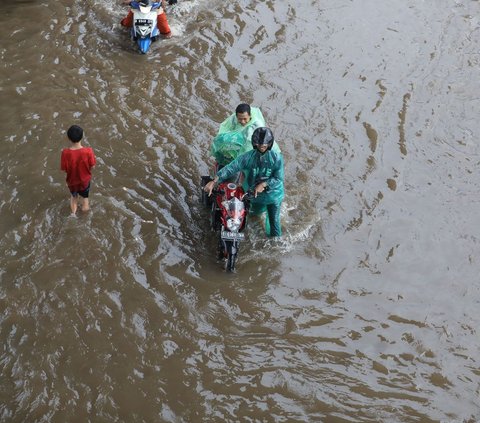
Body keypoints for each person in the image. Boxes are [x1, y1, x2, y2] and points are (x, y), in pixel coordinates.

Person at [205, 127, 284, 237]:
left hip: (273, 195)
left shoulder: (277, 158)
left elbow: (278, 179)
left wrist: (264, 184)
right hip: (252, 194)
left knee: (274, 224)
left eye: (264, 146)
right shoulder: (248, 157)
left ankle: (276, 245)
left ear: (269, 144)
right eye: (259, 145)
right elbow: (231, 168)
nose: (262, 147)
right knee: (249, 216)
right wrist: (214, 180)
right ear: (254, 144)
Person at [210, 103, 281, 167]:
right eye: (240, 119)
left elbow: (249, 146)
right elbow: (225, 128)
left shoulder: (256, 126)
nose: (242, 121)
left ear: (250, 115)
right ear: (236, 116)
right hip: (242, 139)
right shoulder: (234, 118)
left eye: (245, 119)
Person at [61, 125, 96, 216]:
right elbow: (92, 166)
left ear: (69, 138)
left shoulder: (65, 153)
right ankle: (85, 215)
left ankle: (73, 214)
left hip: (72, 181)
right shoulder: (88, 151)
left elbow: (65, 169)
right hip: (84, 181)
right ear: (82, 136)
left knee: (73, 197)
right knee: (85, 198)